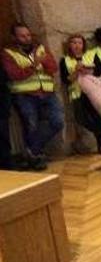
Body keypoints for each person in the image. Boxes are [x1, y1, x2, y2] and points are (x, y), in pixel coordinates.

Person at [1, 23, 63, 170]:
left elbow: (52, 67)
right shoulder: (8, 53)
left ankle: (31, 151)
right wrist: (35, 65)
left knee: (58, 121)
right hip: (25, 94)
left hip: (47, 92)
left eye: (28, 35)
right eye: (22, 36)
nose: (27, 38)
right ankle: (36, 156)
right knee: (31, 125)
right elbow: (14, 74)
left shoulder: (40, 48)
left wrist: (39, 65)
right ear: (14, 37)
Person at [60, 34, 101, 155]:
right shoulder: (65, 60)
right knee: (81, 119)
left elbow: (99, 71)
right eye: (74, 43)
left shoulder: (91, 55)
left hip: (93, 91)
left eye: (79, 43)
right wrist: (76, 71)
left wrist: (86, 70)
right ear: (69, 45)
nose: (77, 45)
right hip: (77, 93)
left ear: (83, 44)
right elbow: (66, 80)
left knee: (98, 116)